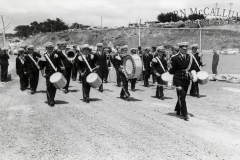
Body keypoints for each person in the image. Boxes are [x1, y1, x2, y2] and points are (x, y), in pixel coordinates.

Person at [169, 42, 193, 121]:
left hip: (186, 79)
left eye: (186, 49)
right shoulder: (175, 58)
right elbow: (172, 71)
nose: (185, 50)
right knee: (182, 95)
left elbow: (190, 68)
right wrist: (173, 82)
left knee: (183, 96)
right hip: (178, 79)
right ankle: (184, 113)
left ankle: (178, 110)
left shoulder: (189, 57)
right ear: (180, 49)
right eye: (183, 49)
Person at [39, 42, 62, 106]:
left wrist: (60, 69)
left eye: (51, 48)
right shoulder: (44, 56)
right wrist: (43, 73)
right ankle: (50, 100)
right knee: (49, 86)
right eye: (48, 48)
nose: (50, 49)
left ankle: (52, 99)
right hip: (48, 74)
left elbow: (59, 64)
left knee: (54, 87)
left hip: (55, 74)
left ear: (53, 49)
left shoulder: (56, 55)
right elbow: (41, 66)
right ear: (46, 49)